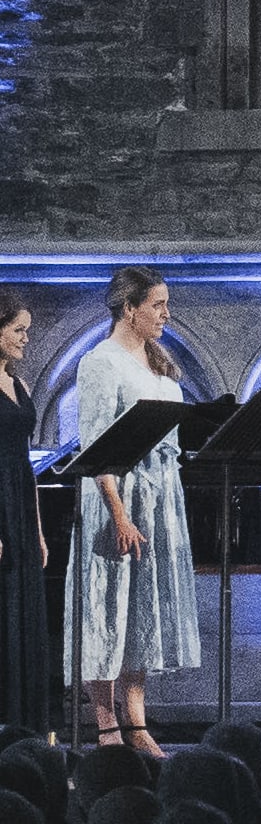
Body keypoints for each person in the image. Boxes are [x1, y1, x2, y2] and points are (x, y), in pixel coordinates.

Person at [69, 266, 201, 754]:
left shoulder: (158, 361)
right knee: (108, 607)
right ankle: (106, 723)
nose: (167, 313)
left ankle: (137, 719)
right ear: (130, 308)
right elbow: (97, 443)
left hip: (160, 496)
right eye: (158, 305)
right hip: (117, 495)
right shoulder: (100, 362)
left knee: (143, 609)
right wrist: (118, 513)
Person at [0, 289, 51, 734]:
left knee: (24, 615)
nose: (25, 339)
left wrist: (37, 532)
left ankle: (26, 731)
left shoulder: (20, 385)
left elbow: (26, 464)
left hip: (19, 502)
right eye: (18, 330)